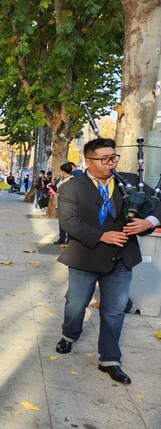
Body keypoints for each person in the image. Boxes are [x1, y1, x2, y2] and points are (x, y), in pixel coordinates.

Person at [55, 138, 161, 384]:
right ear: (88, 161)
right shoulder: (72, 187)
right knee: (75, 304)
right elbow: (68, 222)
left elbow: (157, 205)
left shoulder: (131, 181)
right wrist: (102, 235)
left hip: (122, 258)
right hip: (85, 257)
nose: (111, 163)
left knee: (114, 311)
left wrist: (149, 222)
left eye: (114, 157)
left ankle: (110, 359)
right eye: (104, 159)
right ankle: (69, 335)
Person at [52, 162, 74, 244]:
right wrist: (53, 183)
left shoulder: (72, 180)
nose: (60, 173)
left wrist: (59, 194)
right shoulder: (62, 179)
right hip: (60, 203)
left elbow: (70, 193)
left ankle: (69, 239)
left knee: (68, 222)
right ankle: (62, 237)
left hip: (68, 205)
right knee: (61, 222)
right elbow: (56, 189)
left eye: (60, 171)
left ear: (64, 171)